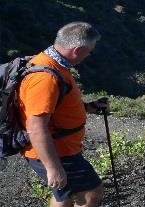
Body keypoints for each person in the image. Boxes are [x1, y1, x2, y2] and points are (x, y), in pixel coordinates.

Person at [18, 22, 108, 207]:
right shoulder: (45, 78)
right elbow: (36, 127)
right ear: (77, 50)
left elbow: (57, 105)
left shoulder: (54, 64)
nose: (89, 55)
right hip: (58, 152)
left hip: (61, 149)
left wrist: (89, 107)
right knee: (91, 193)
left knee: (64, 196)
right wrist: (53, 167)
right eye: (89, 51)